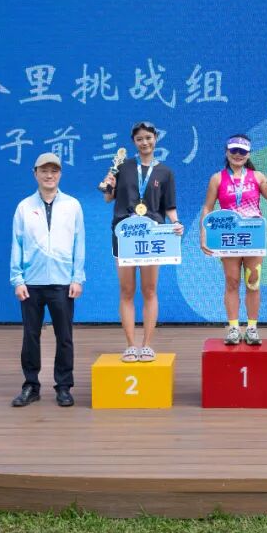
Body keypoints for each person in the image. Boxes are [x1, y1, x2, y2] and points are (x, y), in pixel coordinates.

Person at [100, 121, 183, 363]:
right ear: (133, 142)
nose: (144, 142)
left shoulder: (165, 172)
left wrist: (176, 223)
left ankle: (146, 345)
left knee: (149, 290)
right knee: (127, 291)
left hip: (152, 236)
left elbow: (169, 207)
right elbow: (108, 198)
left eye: (148, 137)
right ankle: (130, 345)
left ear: (155, 138)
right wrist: (109, 184)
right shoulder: (122, 166)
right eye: (139, 139)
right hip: (124, 234)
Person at [9, 152, 85, 408]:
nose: (49, 175)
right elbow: (17, 244)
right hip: (31, 282)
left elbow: (79, 244)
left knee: (64, 336)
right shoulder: (24, 206)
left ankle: (63, 386)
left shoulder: (73, 205)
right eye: (44, 170)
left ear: (60, 174)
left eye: (54, 170)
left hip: (63, 282)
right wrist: (17, 279)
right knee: (30, 336)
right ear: (35, 174)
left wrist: (77, 277)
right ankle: (31, 385)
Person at [199, 134, 267, 345]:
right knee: (232, 282)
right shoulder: (217, 178)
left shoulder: (258, 176)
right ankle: (234, 328)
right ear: (226, 152)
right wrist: (204, 233)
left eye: (243, 151)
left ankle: (252, 328)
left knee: (253, 283)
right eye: (234, 150)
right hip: (228, 238)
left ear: (248, 154)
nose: (238, 155)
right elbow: (208, 208)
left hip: (252, 238)